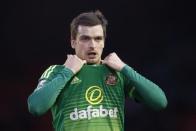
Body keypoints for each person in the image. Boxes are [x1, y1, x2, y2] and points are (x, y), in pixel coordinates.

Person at [27, 10, 168, 131]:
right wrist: (67, 72)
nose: (92, 45)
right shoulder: (56, 72)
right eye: (85, 39)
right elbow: (36, 107)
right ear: (73, 42)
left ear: (104, 42)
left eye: (98, 39)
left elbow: (160, 102)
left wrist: (125, 68)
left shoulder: (118, 73)